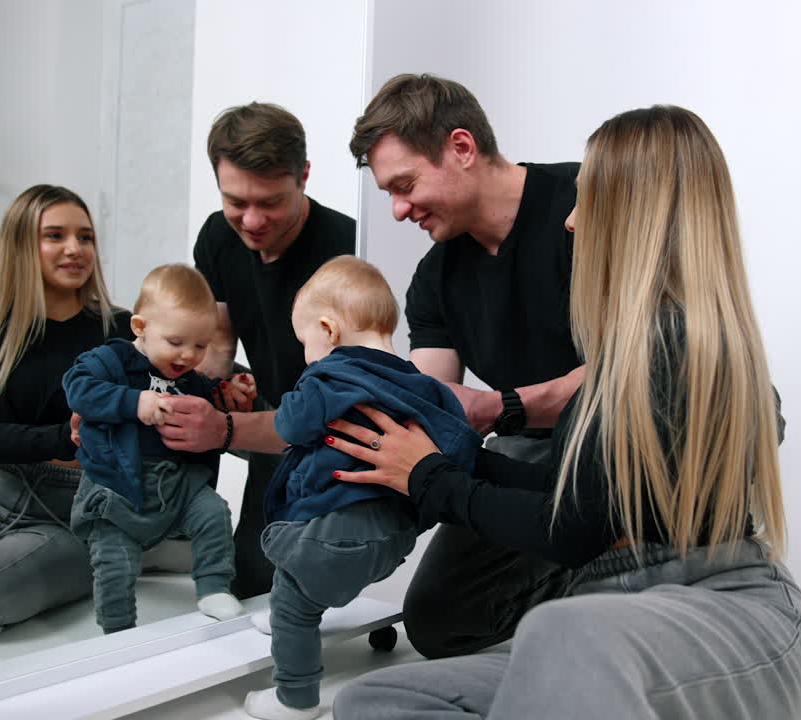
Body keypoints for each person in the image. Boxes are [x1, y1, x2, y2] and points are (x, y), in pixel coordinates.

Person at [329, 106, 801, 719]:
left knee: (560, 633)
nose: (570, 220)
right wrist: (436, 453)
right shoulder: (608, 344)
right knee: (374, 698)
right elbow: (577, 494)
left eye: (586, 201)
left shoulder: (678, 341)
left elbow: (573, 527)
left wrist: (433, 474)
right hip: (612, 588)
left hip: (715, 598)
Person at [347, 73, 584, 658]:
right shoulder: (435, 280)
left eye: (404, 185)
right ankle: (599, 575)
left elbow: (647, 365)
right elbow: (433, 399)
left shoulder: (588, 205)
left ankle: (627, 562)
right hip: (529, 452)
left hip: (633, 439)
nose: (399, 210)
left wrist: (506, 407)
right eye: (389, 194)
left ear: (461, 147)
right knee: (438, 621)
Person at [242, 256, 481, 720]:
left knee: (293, 599)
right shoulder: (423, 385)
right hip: (394, 536)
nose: (305, 353)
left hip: (335, 530)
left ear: (328, 330)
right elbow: (461, 445)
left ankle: (294, 698)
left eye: (304, 341)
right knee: (313, 573)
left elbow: (290, 426)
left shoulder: (332, 376)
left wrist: (301, 389)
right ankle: (303, 606)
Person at [165, 102, 357, 599]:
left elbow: (343, 395)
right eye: (235, 201)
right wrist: (213, 388)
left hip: (333, 425)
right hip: (269, 404)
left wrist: (227, 426)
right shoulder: (216, 236)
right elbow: (221, 333)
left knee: (273, 579)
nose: (251, 220)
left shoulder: (347, 247)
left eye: (270, 202)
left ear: (304, 176)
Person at [0, 184, 132, 637]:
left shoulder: (123, 329)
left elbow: (187, 370)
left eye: (85, 237)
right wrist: (67, 434)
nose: (75, 249)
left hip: (72, 513)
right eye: (55, 236)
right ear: (22, 245)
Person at [62, 264, 252, 633]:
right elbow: (77, 386)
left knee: (214, 513)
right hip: (118, 487)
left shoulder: (189, 378)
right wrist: (134, 402)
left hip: (178, 485)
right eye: (176, 343)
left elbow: (202, 407)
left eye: (200, 345)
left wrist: (226, 396)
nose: (188, 356)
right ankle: (118, 630)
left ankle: (213, 588)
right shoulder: (113, 360)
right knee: (114, 562)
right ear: (140, 328)